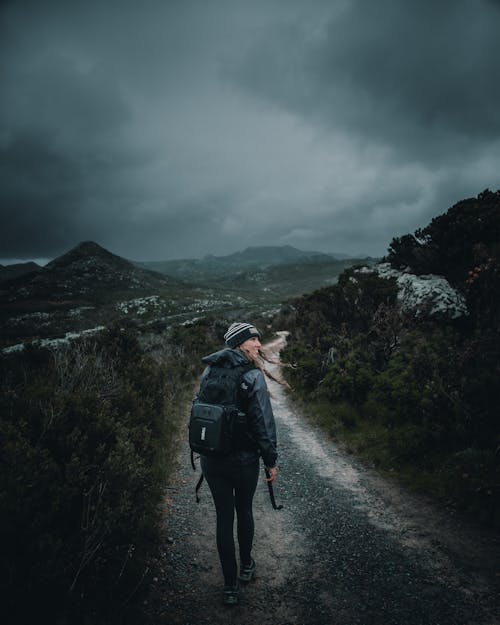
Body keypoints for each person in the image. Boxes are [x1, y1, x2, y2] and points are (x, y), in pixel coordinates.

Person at [198, 322, 278, 606]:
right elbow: (263, 424)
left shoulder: (209, 370)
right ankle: (246, 566)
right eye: (254, 339)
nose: (258, 344)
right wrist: (271, 461)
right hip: (243, 461)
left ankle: (230, 587)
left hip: (212, 459)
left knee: (223, 517)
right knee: (243, 510)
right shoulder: (252, 375)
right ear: (241, 343)